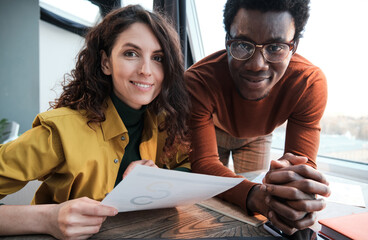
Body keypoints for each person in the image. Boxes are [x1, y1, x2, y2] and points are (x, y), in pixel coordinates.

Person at [0, 4, 190, 239]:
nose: (146, 70)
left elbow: (191, 166)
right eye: (131, 53)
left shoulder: (164, 124)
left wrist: (160, 179)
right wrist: (47, 218)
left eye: (158, 58)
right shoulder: (60, 131)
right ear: (105, 62)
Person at [185, 0, 330, 235]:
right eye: (243, 44)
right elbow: (204, 163)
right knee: (208, 205)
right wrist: (253, 195)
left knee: (257, 212)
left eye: (275, 47)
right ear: (227, 41)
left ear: (294, 46)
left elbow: (301, 165)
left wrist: (293, 188)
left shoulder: (308, 83)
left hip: (257, 136)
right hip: (212, 130)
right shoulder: (198, 80)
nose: (257, 64)